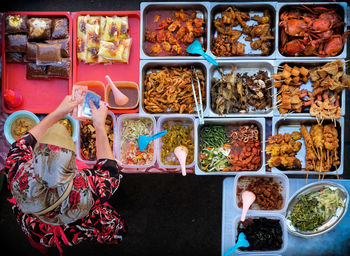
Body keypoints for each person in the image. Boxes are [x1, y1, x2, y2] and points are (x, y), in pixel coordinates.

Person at [2, 95, 127, 255]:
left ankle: (44, 245)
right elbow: (110, 170)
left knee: (40, 237)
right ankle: (116, 235)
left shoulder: (17, 170)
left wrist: (59, 112)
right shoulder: (82, 194)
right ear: (73, 172)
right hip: (81, 221)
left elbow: (22, 143)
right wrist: (99, 125)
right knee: (108, 223)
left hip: (36, 221)